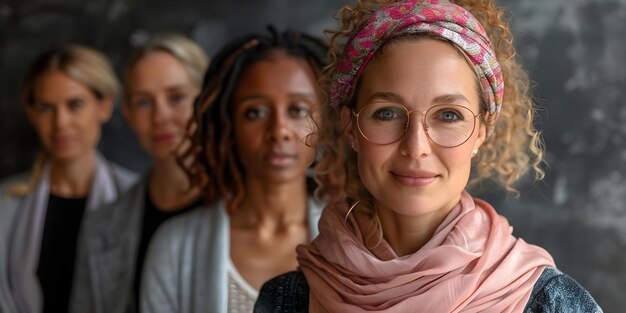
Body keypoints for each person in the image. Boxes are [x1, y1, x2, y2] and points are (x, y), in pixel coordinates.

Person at [255, 1, 603, 312]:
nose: (416, 146)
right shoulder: (287, 300)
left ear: (482, 130)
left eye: (449, 115)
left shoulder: (551, 303)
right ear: (350, 126)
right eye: (387, 113)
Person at [139, 27, 327, 313]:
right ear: (229, 125)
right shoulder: (175, 247)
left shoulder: (359, 237)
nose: (279, 131)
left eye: (298, 110)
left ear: (327, 121)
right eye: (255, 112)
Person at [69, 33, 209, 313]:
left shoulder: (248, 208)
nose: (160, 116)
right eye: (144, 102)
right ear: (128, 114)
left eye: (177, 97)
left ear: (206, 101)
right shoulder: (102, 226)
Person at [0, 45, 137, 313]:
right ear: (31, 114)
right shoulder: (5, 203)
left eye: (75, 105)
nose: (61, 122)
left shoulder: (135, 197)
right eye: (45, 108)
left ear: (104, 106)